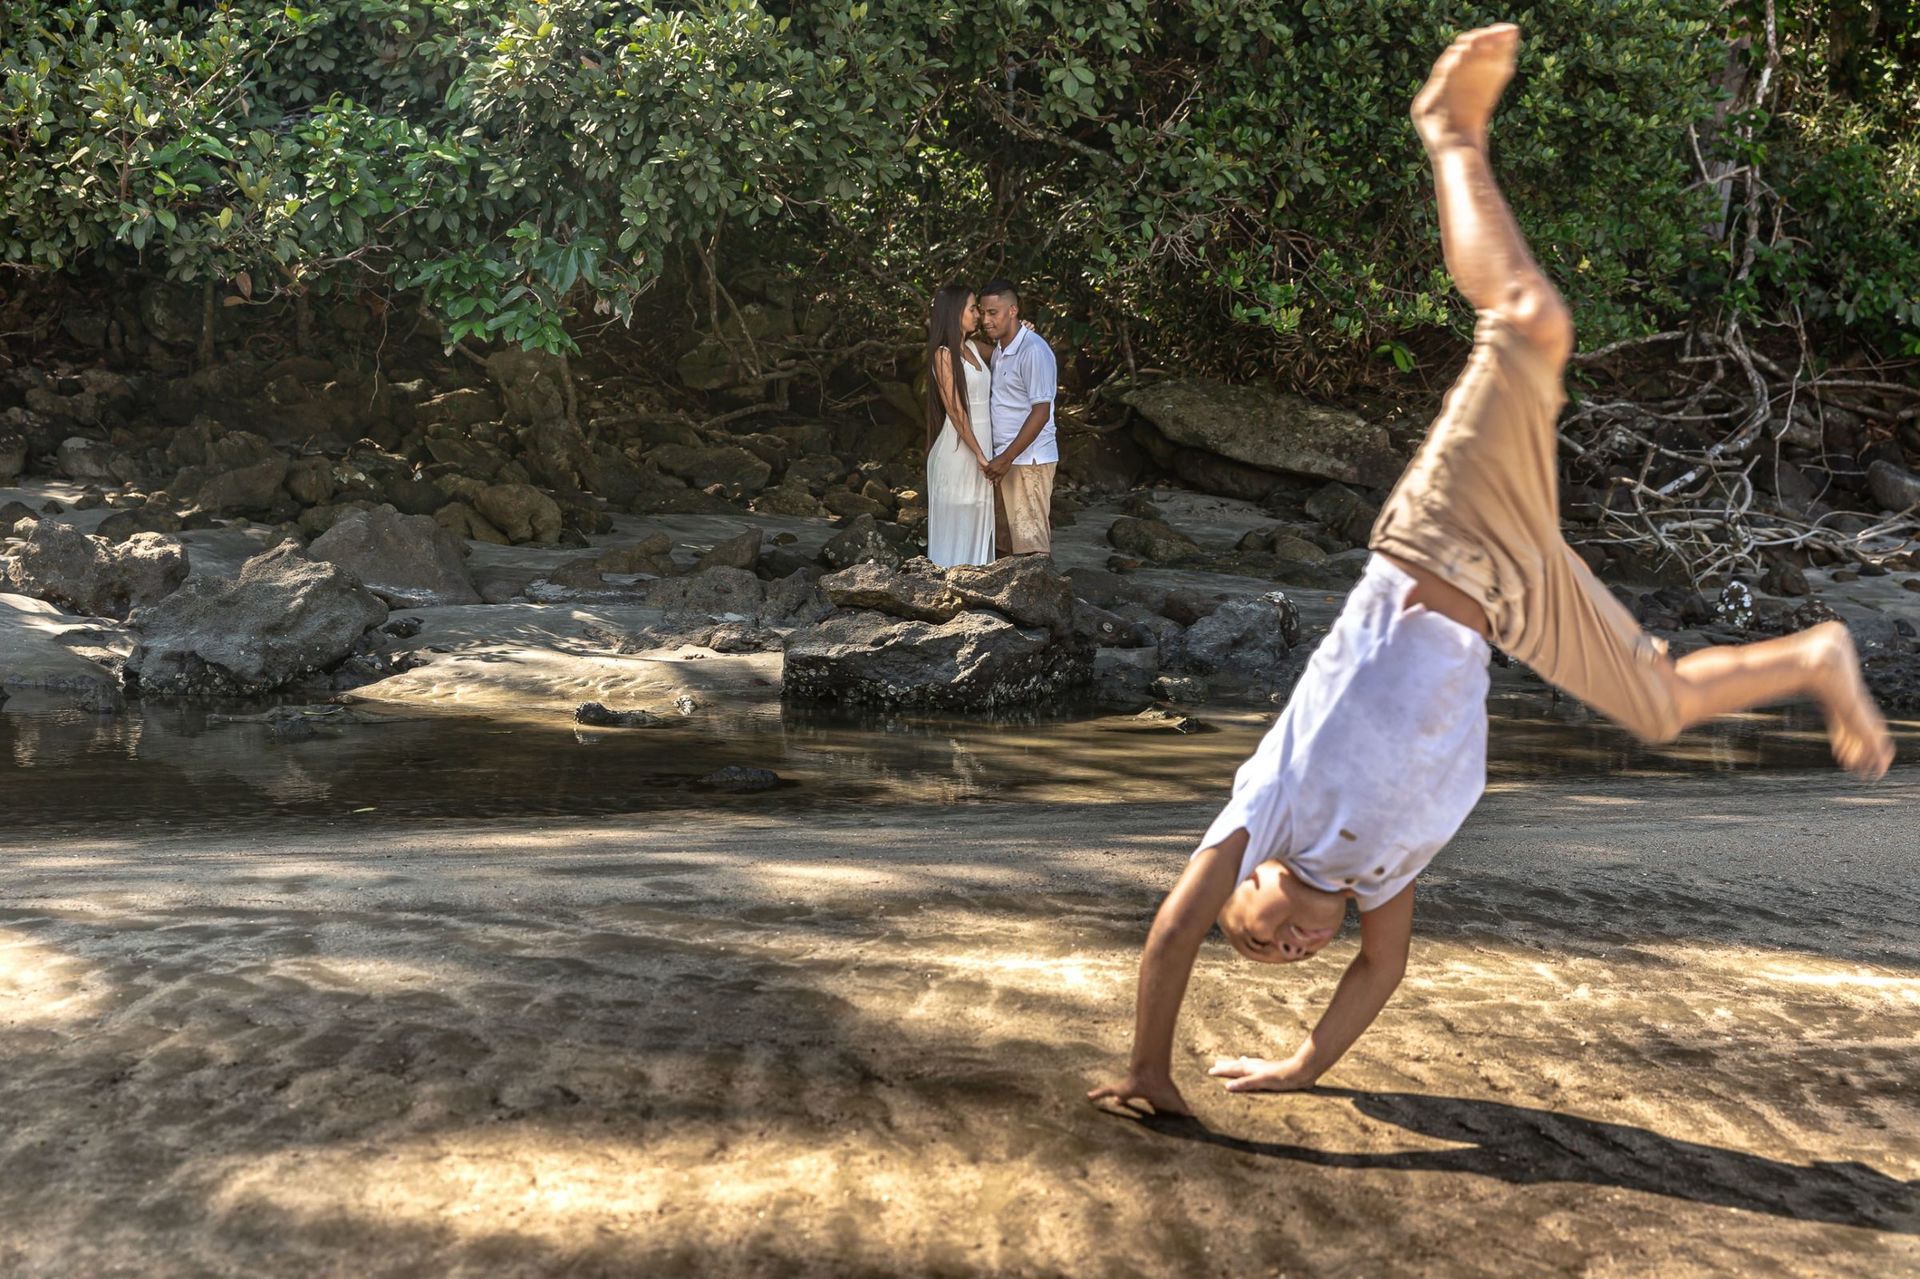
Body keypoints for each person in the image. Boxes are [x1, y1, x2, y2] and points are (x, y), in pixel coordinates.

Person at [1088, 22, 1895, 1119]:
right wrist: (1303, 1064)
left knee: (1529, 319)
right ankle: (1814, 652)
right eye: (1287, 959)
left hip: (1432, 544)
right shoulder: (1379, 877)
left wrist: (1149, 1067)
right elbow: (1383, 968)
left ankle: (1449, 132)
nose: (1283, 943)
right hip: (1504, 601)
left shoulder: (1266, 813)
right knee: (1655, 702)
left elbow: (1174, 928)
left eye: (1261, 926)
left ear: (1252, 878)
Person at [977, 280, 1059, 557]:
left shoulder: (1033, 351)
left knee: (1031, 546)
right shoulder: (1002, 348)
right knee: (1005, 545)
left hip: (1028, 461)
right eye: (982, 312)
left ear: (1013, 311)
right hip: (1006, 459)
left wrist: (1006, 458)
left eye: (993, 312)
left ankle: (1040, 598)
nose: (986, 320)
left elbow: (1041, 412)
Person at [924, 284, 996, 567]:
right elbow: (955, 410)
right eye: (972, 308)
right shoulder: (943, 354)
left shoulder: (975, 348)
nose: (978, 314)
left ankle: (973, 592)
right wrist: (979, 453)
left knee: (979, 520)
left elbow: (1012, 352)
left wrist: (1023, 329)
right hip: (958, 453)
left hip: (981, 451)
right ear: (955, 313)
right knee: (958, 525)